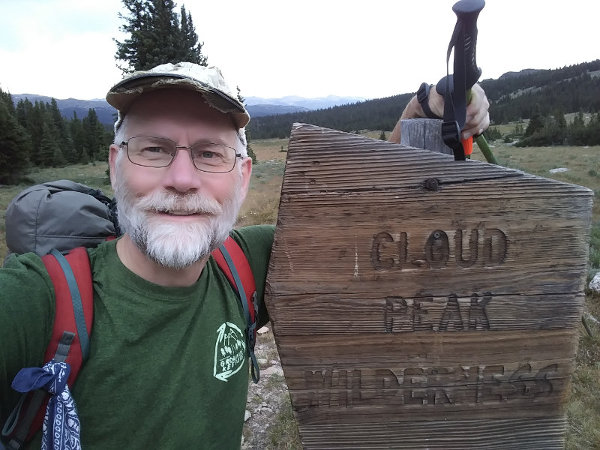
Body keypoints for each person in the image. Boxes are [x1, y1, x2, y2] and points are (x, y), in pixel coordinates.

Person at [0, 62, 490, 449]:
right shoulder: (33, 301)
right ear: (114, 165)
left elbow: (367, 215)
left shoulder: (248, 263)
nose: (183, 179)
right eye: (153, 149)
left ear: (244, 175)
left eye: (210, 153)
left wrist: (426, 108)